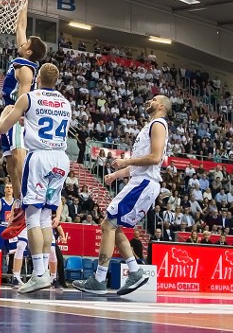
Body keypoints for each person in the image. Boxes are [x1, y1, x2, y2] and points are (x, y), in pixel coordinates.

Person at [73, 95, 171, 296]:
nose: (148, 101)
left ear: (161, 106)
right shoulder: (149, 126)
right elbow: (138, 164)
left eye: (153, 99)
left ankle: (99, 279)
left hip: (144, 183)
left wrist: (126, 162)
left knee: (108, 225)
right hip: (140, 181)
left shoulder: (159, 124)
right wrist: (115, 174)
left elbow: (155, 158)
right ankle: (135, 271)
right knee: (113, 228)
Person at [0, 63, 70, 294]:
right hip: (61, 159)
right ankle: (44, 270)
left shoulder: (29, 97)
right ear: (55, 82)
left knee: (33, 218)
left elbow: (4, 126)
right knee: (46, 218)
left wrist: (3, 119)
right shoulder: (66, 103)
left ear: (37, 78)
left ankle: (39, 274)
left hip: (39, 158)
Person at [0, 5, 47, 237]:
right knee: (8, 161)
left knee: (18, 156)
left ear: (28, 52)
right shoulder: (21, 59)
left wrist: (14, 118)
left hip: (19, 113)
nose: (22, 42)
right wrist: (23, 0)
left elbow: (24, 97)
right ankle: (18, 204)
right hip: (8, 109)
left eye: (26, 43)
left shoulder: (26, 71)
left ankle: (26, 199)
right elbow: (20, 26)